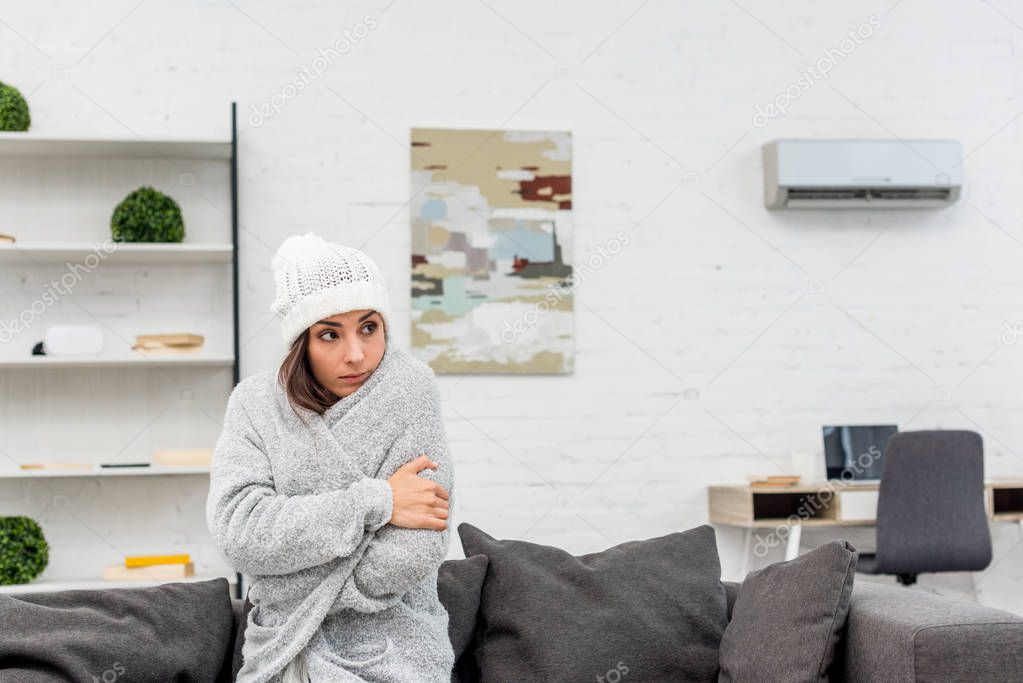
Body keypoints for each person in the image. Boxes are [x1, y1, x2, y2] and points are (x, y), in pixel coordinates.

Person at [205, 232, 456, 682]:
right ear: (301, 342)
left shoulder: (411, 390)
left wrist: (288, 582)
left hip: (396, 652)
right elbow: (240, 532)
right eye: (329, 335)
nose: (356, 354)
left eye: (368, 327)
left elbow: (417, 547)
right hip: (280, 654)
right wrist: (378, 502)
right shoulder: (255, 405)